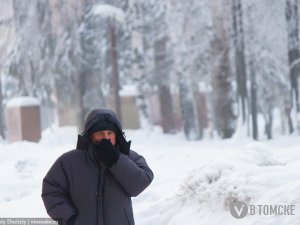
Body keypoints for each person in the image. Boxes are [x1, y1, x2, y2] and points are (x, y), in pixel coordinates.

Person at [41, 108, 154, 225]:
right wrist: (69, 218)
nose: (106, 137)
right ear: (91, 136)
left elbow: (140, 183)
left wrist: (116, 160)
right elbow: (51, 190)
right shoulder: (69, 161)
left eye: (110, 133)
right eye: (100, 133)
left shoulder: (130, 157)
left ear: (116, 135)